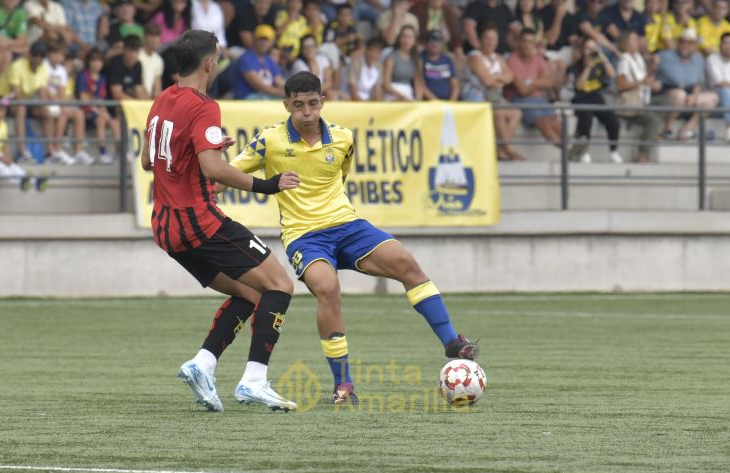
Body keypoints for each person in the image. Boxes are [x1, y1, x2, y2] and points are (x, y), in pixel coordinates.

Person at [231, 71, 480, 405]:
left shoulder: (343, 138)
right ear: (286, 104)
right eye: (299, 105)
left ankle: (452, 342)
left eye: (313, 103)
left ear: (323, 101)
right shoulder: (269, 140)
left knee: (405, 262)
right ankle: (343, 385)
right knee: (327, 288)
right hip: (304, 236)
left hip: (347, 226)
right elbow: (228, 173)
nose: (307, 112)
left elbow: (341, 177)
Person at [141, 29, 301, 412]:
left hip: (166, 227)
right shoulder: (204, 106)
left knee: (249, 294)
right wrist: (267, 185)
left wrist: (203, 148)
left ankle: (203, 364)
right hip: (200, 222)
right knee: (280, 285)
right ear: (210, 63)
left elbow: (148, 160)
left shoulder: (162, 98)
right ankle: (254, 380)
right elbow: (213, 169)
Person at [463, 25, 523, 161]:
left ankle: (501, 149)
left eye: (493, 39)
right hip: (477, 97)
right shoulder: (475, 56)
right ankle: (508, 150)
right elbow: (487, 81)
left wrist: (495, 77)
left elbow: (511, 76)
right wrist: (500, 78)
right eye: (487, 38)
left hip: (494, 97)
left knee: (516, 113)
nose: (490, 42)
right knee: (499, 113)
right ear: (481, 39)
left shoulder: (498, 58)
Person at [0, 40, 51, 164]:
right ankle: (22, 152)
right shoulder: (16, 66)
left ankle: (50, 152)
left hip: (26, 101)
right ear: (29, 55)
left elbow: (43, 92)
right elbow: (16, 94)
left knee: (46, 112)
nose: (38, 59)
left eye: (41, 56)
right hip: (3, 100)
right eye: (35, 55)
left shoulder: (44, 69)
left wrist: (45, 106)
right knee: (21, 108)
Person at [655, 27, 718, 140]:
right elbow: (650, 72)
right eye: (682, 42)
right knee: (680, 95)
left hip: (689, 93)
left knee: (713, 98)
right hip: (667, 92)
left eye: (690, 43)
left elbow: (698, 83)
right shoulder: (664, 56)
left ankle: (687, 130)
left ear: (695, 46)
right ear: (678, 43)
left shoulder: (699, 59)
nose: (685, 46)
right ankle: (667, 129)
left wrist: (694, 96)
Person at [568, 36, 621, 163]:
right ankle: (584, 152)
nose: (591, 51)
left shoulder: (600, 63)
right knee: (586, 118)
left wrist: (603, 57)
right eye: (588, 48)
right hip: (581, 99)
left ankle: (613, 151)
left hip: (596, 98)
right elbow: (579, 86)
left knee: (612, 119)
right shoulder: (577, 65)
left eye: (593, 48)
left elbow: (612, 75)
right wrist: (588, 67)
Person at [505, 28, 561, 145]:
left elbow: (549, 82)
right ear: (518, 42)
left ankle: (570, 148)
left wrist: (530, 82)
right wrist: (540, 83)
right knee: (543, 121)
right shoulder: (512, 59)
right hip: (520, 100)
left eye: (531, 42)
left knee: (555, 120)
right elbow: (522, 90)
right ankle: (567, 150)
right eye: (524, 41)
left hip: (539, 98)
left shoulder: (538, 58)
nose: (527, 45)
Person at [0, 99, 45, 192]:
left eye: (1, 110)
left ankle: (35, 181)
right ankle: (21, 182)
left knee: (14, 167)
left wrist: (7, 157)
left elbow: (4, 144)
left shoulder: (3, 125)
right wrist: (0, 158)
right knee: (2, 170)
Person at [616, 30, 662, 162]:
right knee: (654, 120)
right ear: (625, 43)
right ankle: (643, 154)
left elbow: (644, 78)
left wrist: (653, 67)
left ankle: (653, 133)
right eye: (634, 40)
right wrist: (642, 83)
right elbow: (620, 85)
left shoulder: (638, 57)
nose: (638, 42)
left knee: (669, 101)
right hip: (630, 103)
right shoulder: (624, 60)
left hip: (643, 99)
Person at [76, 47, 120, 164]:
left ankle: (119, 152)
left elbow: (101, 100)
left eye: (99, 61)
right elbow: (84, 99)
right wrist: (100, 112)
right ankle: (103, 152)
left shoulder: (102, 78)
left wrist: (104, 111)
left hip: (98, 111)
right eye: (94, 60)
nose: (97, 64)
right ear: (88, 62)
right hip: (86, 112)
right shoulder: (83, 75)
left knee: (115, 123)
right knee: (101, 120)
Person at [0, 0, 29, 89]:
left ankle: (19, 90)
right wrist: (12, 43)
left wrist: (6, 43)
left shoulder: (20, 12)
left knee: (27, 51)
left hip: (10, 47)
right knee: (1, 56)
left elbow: (22, 40)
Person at [232, 24, 285, 99]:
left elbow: (279, 81)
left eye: (266, 40)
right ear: (254, 40)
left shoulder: (269, 60)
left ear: (272, 42)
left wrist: (292, 90)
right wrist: (285, 93)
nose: (263, 43)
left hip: (265, 97)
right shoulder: (245, 58)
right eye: (260, 39)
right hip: (246, 99)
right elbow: (259, 86)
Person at [382, 24, 423, 101]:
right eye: (404, 36)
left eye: (410, 37)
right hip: (393, 95)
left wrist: (418, 100)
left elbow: (418, 82)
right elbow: (386, 84)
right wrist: (402, 97)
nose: (406, 40)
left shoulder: (417, 60)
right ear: (399, 39)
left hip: (408, 94)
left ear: (414, 41)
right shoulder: (391, 58)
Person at [106, 34, 149, 100]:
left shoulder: (138, 65)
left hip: (129, 101)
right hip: (110, 102)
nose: (133, 55)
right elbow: (117, 94)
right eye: (130, 50)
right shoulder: (115, 63)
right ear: (124, 49)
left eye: (136, 51)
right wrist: (136, 104)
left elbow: (139, 90)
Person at [420, 30, 459, 101]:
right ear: (425, 43)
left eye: (437, 42)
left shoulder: (448, 60)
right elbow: (420, 85)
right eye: (431, 42)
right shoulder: (420, 59)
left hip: (448, 103)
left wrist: (451, 102)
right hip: (428, 103)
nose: (434, 45)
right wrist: (437, 102)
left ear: (442, 44)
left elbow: (454, 84)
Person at [347, 36, 383, 101]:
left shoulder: (379, 67)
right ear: (365, 50)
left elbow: (377, 89)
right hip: (350, 99)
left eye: (377, 53)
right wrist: (364, 104)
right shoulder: (355, 64)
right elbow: (353, 91)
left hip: (368, 101)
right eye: (371, 51)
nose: (373, 55)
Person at [140, 22, 165, 97]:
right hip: (133, 100)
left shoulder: (158, 60)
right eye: (151, 35)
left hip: (148, 101)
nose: (155, 39)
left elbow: (157, 88)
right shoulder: (137, 55)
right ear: (144, 37)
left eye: (157, 36)